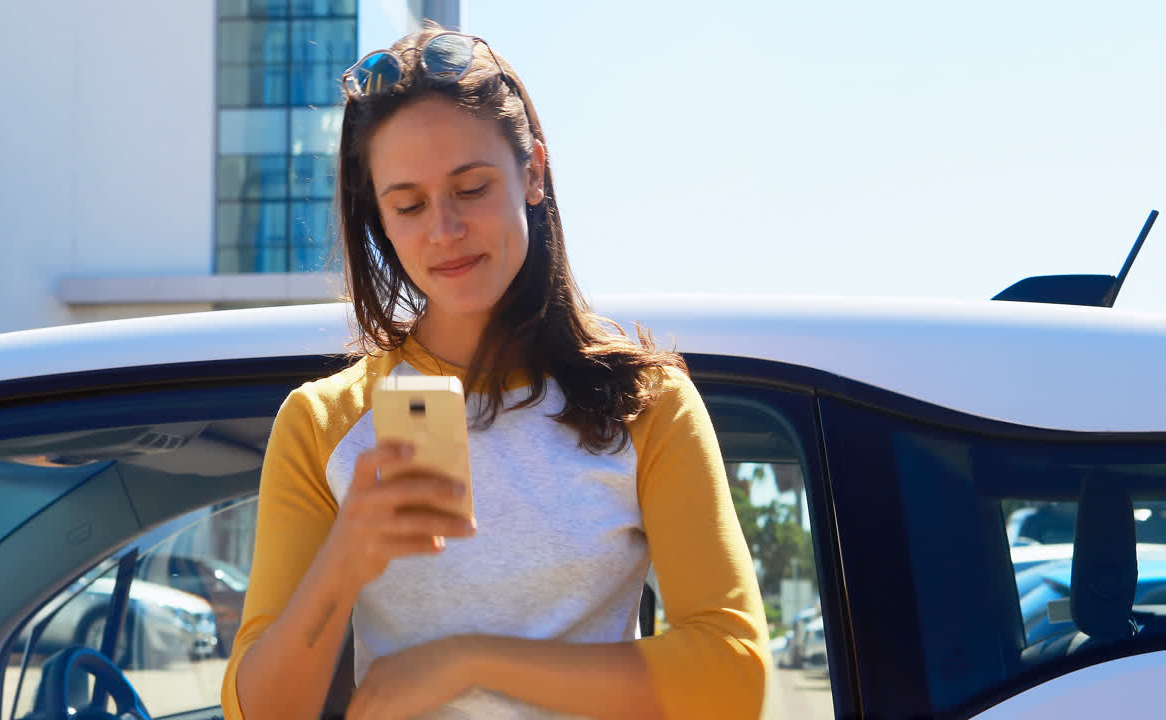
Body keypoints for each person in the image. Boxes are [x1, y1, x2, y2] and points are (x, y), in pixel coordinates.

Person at [220, 25, 769, 720]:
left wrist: (464, 665)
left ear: (533, 173)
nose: (443, 229)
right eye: (408, 204)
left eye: (471, 188)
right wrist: (343, 560)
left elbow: (734, 678)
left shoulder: (647, 405)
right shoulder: (324, 423)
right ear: (378, 219)